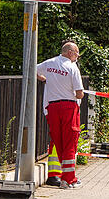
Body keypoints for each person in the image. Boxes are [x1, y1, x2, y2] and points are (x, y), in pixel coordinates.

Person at [36, 41, 84, 189]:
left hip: (52, 107)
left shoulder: (49, 63)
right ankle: (69, 180)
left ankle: (64, 177)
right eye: (76, 53)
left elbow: (32, 69)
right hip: (69, 107)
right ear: (70, 52)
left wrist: (44, 79)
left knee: (59, 142)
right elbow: (79, 93)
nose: (77, 56)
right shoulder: (72, 67)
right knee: (70, 142)